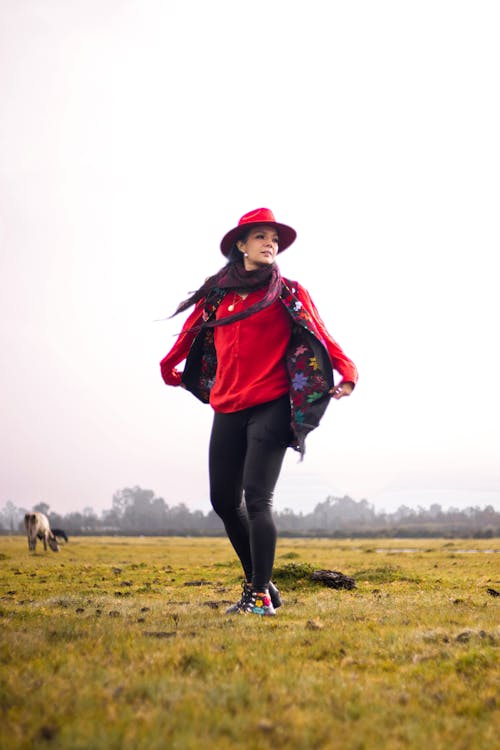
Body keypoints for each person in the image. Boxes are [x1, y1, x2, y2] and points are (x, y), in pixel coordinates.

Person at [160, 208, 358, 617]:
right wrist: (170, 366)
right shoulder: (219, 296)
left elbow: (321, 334)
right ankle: (262, 582)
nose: (271, 244)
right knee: (222, 500)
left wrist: (348, 372)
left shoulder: (288, 292)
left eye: (275, 239)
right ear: (241, 245)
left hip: (270, 405)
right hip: (227, 405)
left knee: (257, 499)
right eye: (262, 237)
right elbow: (190, 333)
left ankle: (258, 598)